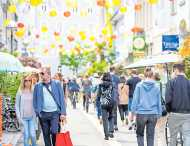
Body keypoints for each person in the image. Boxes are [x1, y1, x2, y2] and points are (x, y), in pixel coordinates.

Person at [33, 67, 66, 146]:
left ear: (48, 74)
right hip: (43, 114)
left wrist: (63, 113)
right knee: (46, 134)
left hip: (55, 113)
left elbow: (62, 98)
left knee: (55, 131)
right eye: (40, 73)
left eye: (42, 73)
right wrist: (38, 112)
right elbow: (35, 100)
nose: (41, 75)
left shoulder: (57, 83)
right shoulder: (37, 86)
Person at [131, 68, 162, 146]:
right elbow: (159, 102)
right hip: (153, 114)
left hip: (141, 113)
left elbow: (135, 100)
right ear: (152, 75)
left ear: (144, 75)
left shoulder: (139, 85)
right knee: (150, 136)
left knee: (140, 134)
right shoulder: (156, 86)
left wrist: (132, 113)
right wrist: (159, 114)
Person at [165, 63, 190, 146]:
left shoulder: (171, 82)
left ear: (176, 70)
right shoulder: (189, 82)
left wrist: (168, 111)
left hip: (174, 113)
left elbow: (168, 99)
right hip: (187, 113)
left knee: (173, 137)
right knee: (187, 136)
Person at [15, 75, 37, 146]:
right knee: (26, 136)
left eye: (29, 81)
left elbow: (36, 103)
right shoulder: (20, 91)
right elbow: (17, 105)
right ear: (23, 81)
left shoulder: (33, 91)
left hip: (32, 118)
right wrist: (19, 117)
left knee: (33, 135)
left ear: (31, 81)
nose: (27, 82)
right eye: (26, 81)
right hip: (23, 118)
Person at [97, 73, 114, 140]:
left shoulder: (100, 85)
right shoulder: (112, 85)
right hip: (111, 103)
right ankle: (111, 131)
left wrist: (98, 102)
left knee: (105, 120)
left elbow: (98, 95)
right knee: (111, 117)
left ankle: (106, 135)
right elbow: (114, 94)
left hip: (103, 103)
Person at [154, 72, 167, 146]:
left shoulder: (152, 86)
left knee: (155, 130)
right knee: (162, 130)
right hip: (164, 110)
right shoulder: (163, 85)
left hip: (155, 110)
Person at [110, 67, 120, 131]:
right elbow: (119, 87)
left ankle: (110, 126)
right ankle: (115, 125)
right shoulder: (117, 77)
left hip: (107, 96)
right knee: (115, 111)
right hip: (115, 95)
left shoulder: (106, 76)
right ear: (114, 70)